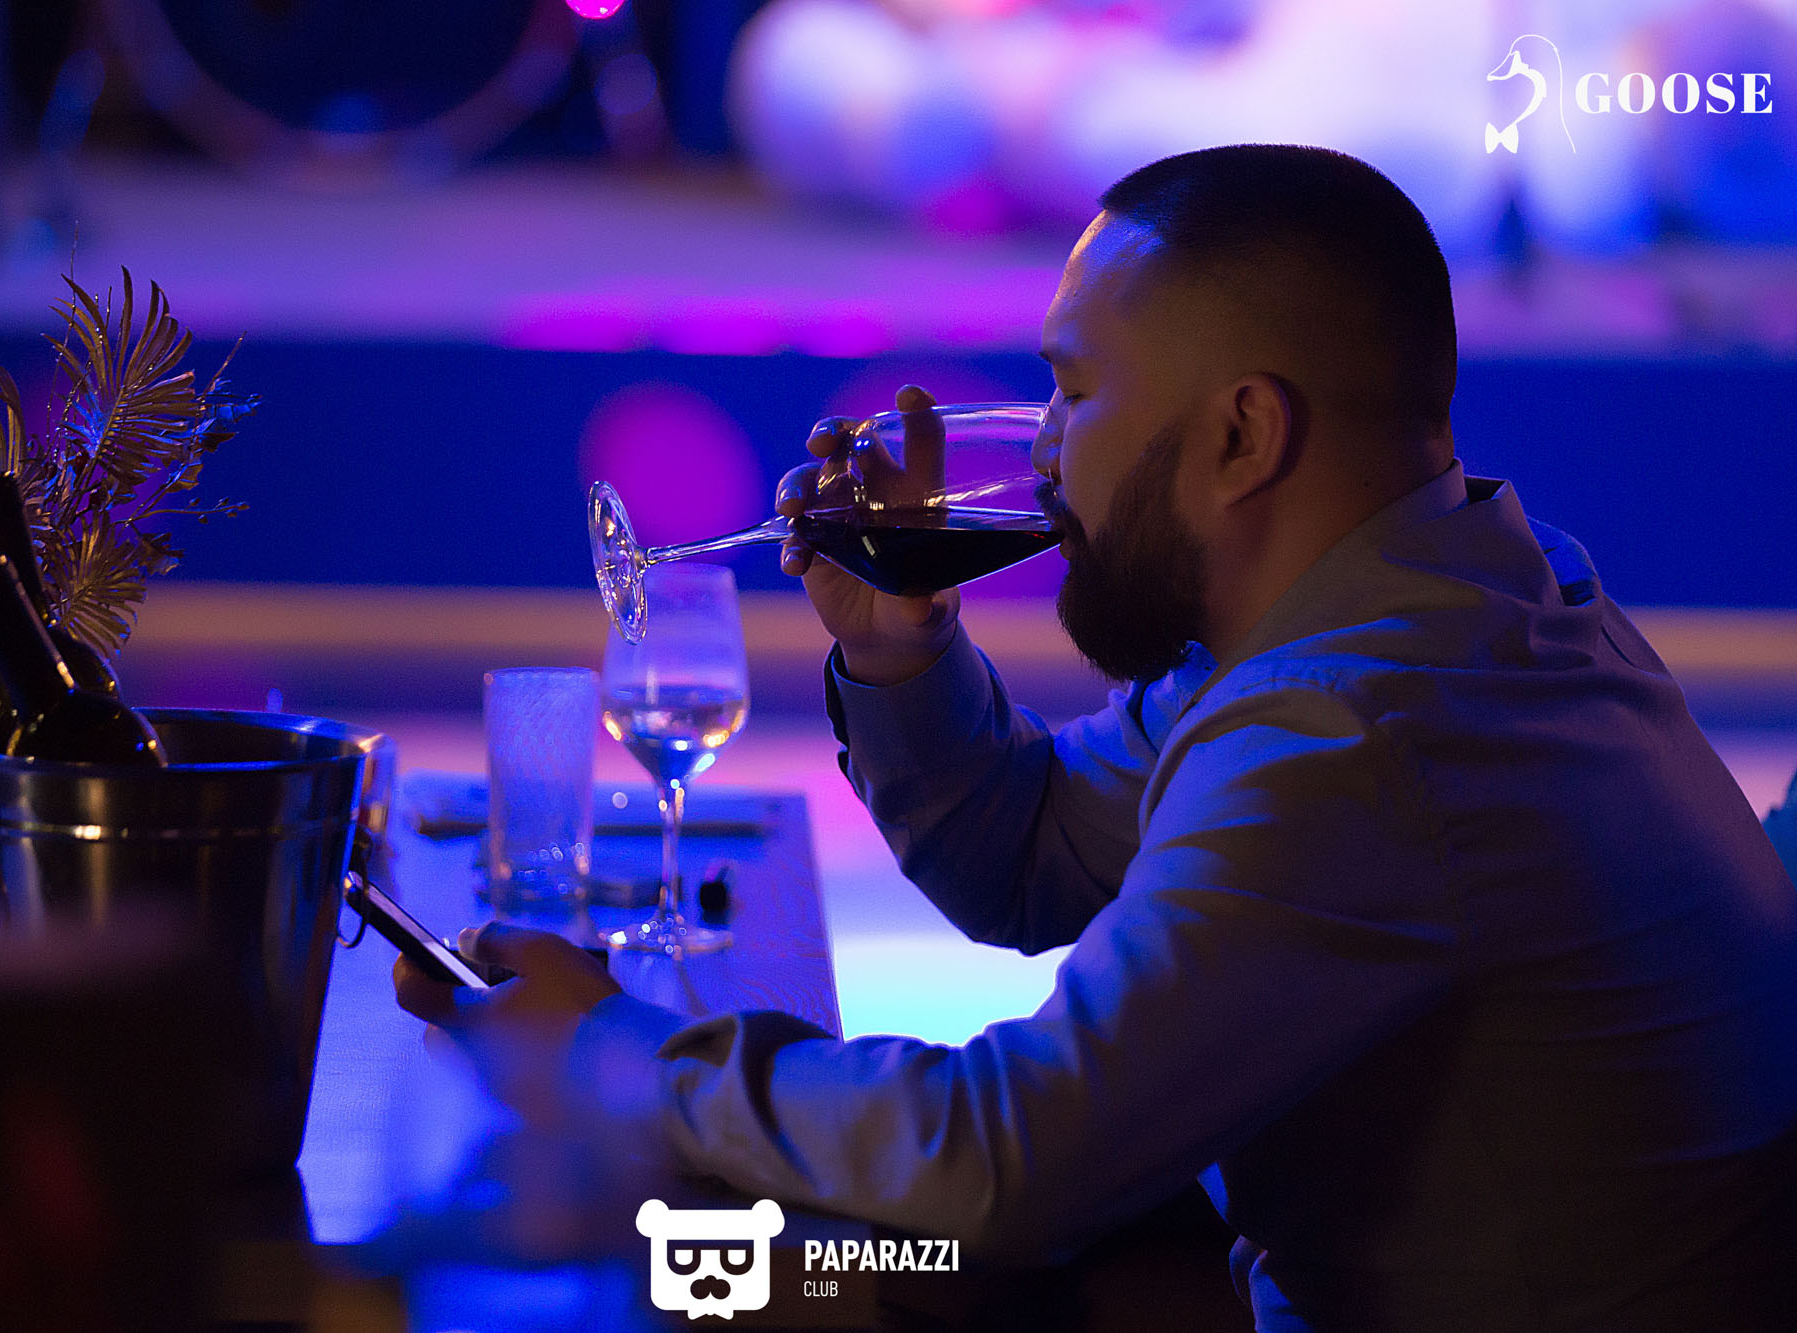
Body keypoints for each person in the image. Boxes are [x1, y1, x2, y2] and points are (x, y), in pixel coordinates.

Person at [398, 145, 1797, 1330]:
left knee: (696, 1278)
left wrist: (611, 1053)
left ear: (1244, 435)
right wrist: (900, 647)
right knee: (788, 1263)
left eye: (1074, 390)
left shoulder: (1360, 728)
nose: (1044, 447)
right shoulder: (1433, 599)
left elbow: (1009, 1155)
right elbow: (1030, 858)